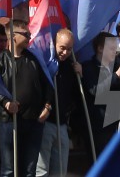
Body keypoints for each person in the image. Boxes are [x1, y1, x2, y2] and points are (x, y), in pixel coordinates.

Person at [0, 21, 50, 177]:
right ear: (13, 36)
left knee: (30, 170)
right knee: (9, 170)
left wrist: (47, 106)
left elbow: (48, 85)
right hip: (9, 121)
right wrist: (5, 103)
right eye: (26, 34)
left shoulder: (34, 59)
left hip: (34, 121)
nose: (29, 37)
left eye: (29, 34)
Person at [37, 29, 79, 177]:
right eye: (62, 47)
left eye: (69, 49)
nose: (65, 52)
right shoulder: (47, 64)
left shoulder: (71, 67)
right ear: (54, 44)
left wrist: (80, 74)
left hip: (62, 124)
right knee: (41, 171)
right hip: (46, 123)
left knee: (60, 171)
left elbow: (75, 96)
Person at [81, 32, 120, 154]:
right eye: (112, 48)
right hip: (99, 128)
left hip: (117, 125)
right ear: (100, 49)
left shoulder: (117, 66)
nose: (115, 51)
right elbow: (96, 90)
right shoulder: (88, 67)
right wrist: (116, 76)